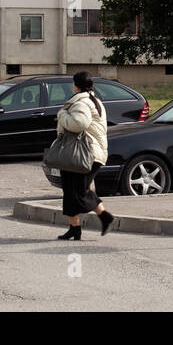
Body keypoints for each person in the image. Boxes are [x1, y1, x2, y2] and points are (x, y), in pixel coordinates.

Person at [55, 71, 115, 240]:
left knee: (77, 193)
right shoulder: (95, 101)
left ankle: (105, 217)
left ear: (75, 85)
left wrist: (62, 114)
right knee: (73, 190)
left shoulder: (81, 102)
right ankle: (74, 228)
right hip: (91, 153)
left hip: (83, 154)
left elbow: (79, 124)